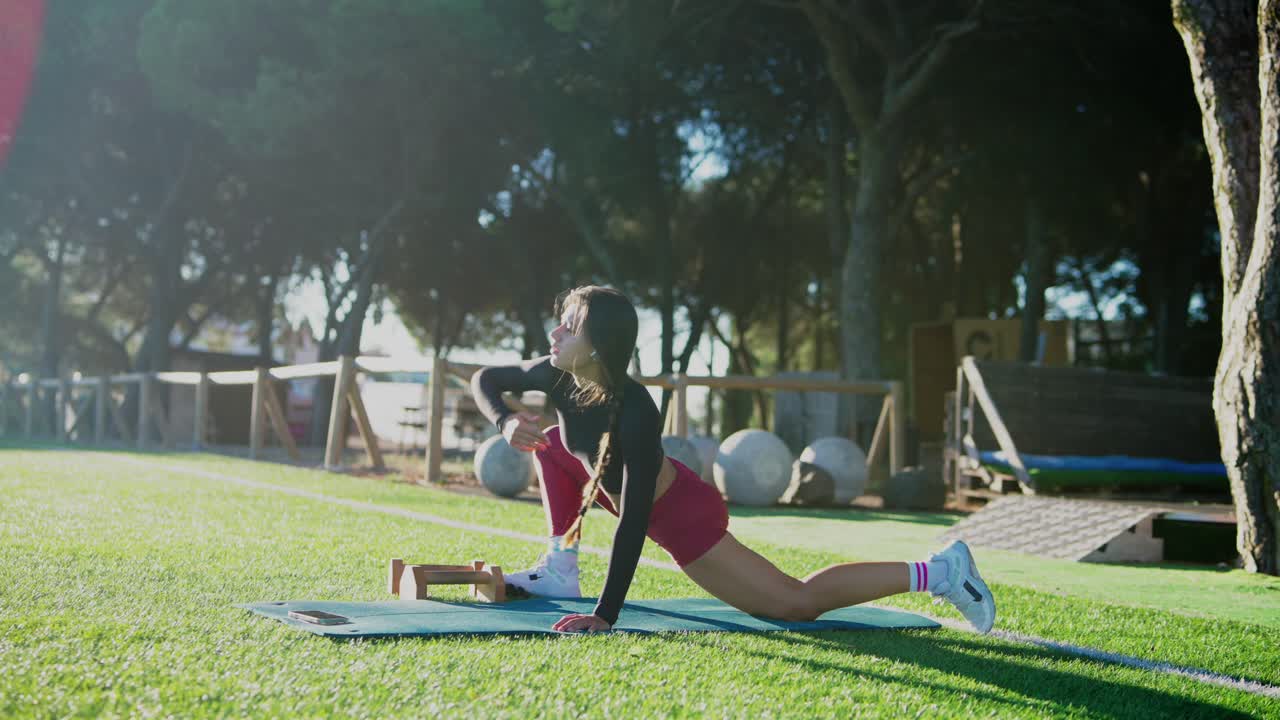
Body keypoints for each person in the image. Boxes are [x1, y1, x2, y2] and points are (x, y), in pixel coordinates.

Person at [470, 284, 995, 634]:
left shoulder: (635, 410)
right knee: (555, 440)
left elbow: (633, 520)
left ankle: (941, 573)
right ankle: (561, 564)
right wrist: (506, 420)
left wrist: (605, 615)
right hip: (622, 493)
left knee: (796, 604)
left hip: (678, 516)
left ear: (598, 345)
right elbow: (486, 379)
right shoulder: (554, 372)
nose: (555, 332)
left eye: (568, 326)